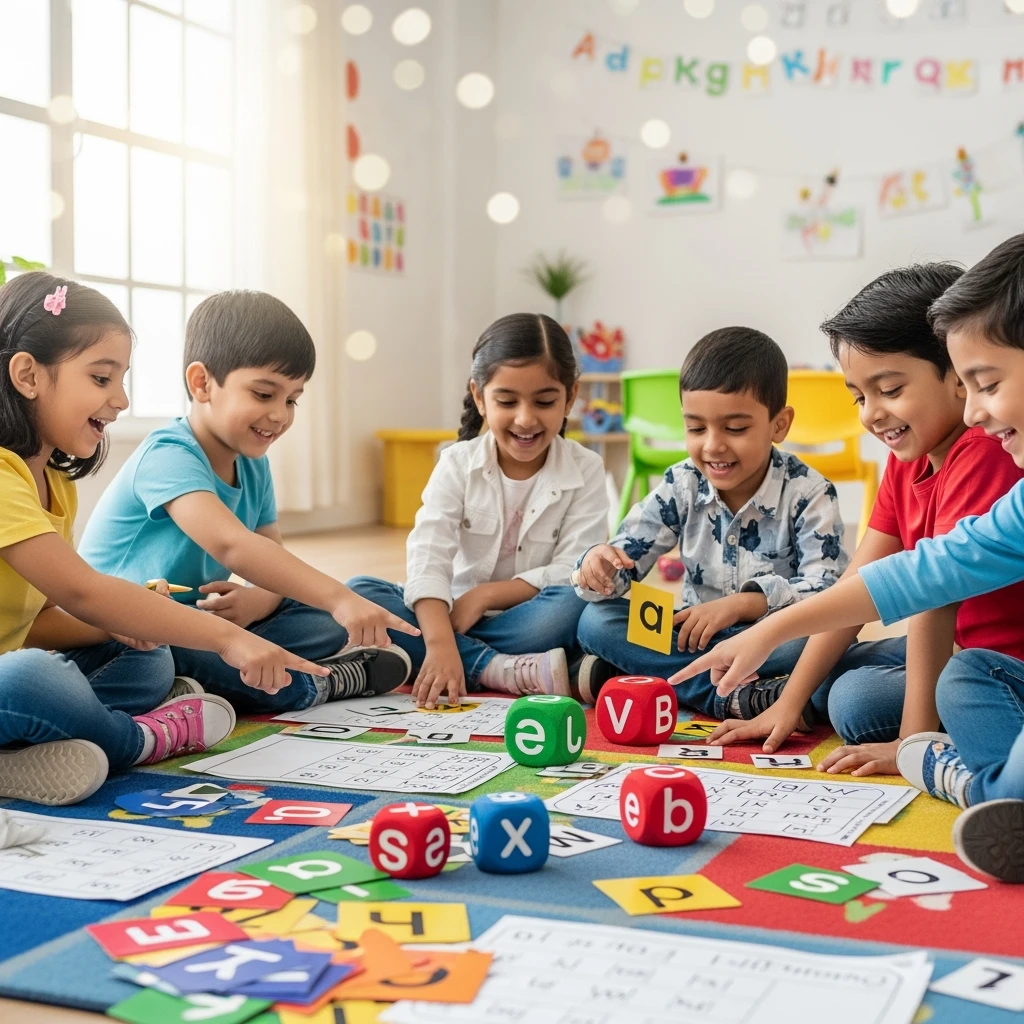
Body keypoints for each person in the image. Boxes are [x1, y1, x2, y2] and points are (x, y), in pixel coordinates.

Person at [672, 234, 1024, 884]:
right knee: (815, 670)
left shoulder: (981, 455)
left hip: (984, 663)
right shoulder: (908, 461)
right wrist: (789, 693)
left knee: (863, 701)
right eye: (859, 395)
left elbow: (932, 594)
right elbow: (867, 581)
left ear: (952, 371)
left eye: (889, 388)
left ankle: (967, 774)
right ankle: (776, 696)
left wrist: (913, 742)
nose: (870, 414)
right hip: (957, 656)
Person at [0, 274, 332, 804]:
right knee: (29, 680)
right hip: (12, 679)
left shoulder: (53, 483)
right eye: (102, 378)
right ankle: (137, 739)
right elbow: (83, 592)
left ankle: (21, 757)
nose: (122, 399)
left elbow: (36, 622)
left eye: (122, 379)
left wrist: (128, 622)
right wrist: (227, 637)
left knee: (151, 655)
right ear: (27, 375)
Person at [79, 291, 418, 715]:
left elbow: (269, 551)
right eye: (263, 394)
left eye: (292, 399)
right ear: (202, 383)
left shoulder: (252, 463)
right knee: (169, 654)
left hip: (210, 625)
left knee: (319, 620)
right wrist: (339, 598)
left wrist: (263, 597)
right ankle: (317, 685)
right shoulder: (168, 455)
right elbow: (232, 545)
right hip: (134, 632)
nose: (280, 415)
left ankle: (203, 686)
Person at [572, 326, 849, 719]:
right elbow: (624, 563)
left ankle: (651, 679)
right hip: (691, 639)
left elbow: (829, 592)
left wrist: (743, 605)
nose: (713, 445)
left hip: (770, 641)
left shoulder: (810, 493)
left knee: (822, 643)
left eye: (735, 428)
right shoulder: (681, 483)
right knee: (597, 621)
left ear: (779, 424)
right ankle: (728, 697)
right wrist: (599, 565)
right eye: (696, 428)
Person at [348, 313, 608, 709]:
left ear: (570, 397)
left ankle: (465, 659)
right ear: (480, 396)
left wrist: (487, 596)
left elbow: (574, 568)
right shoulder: (455, 463)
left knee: (579, 606)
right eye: (507, 401)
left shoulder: (585, 467)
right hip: (447, 616)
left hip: (528, 621)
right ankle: (501, 669)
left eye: (544, 401)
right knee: (360, 593)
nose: (525, 418)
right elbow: (428, 557)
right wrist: (438, 641)